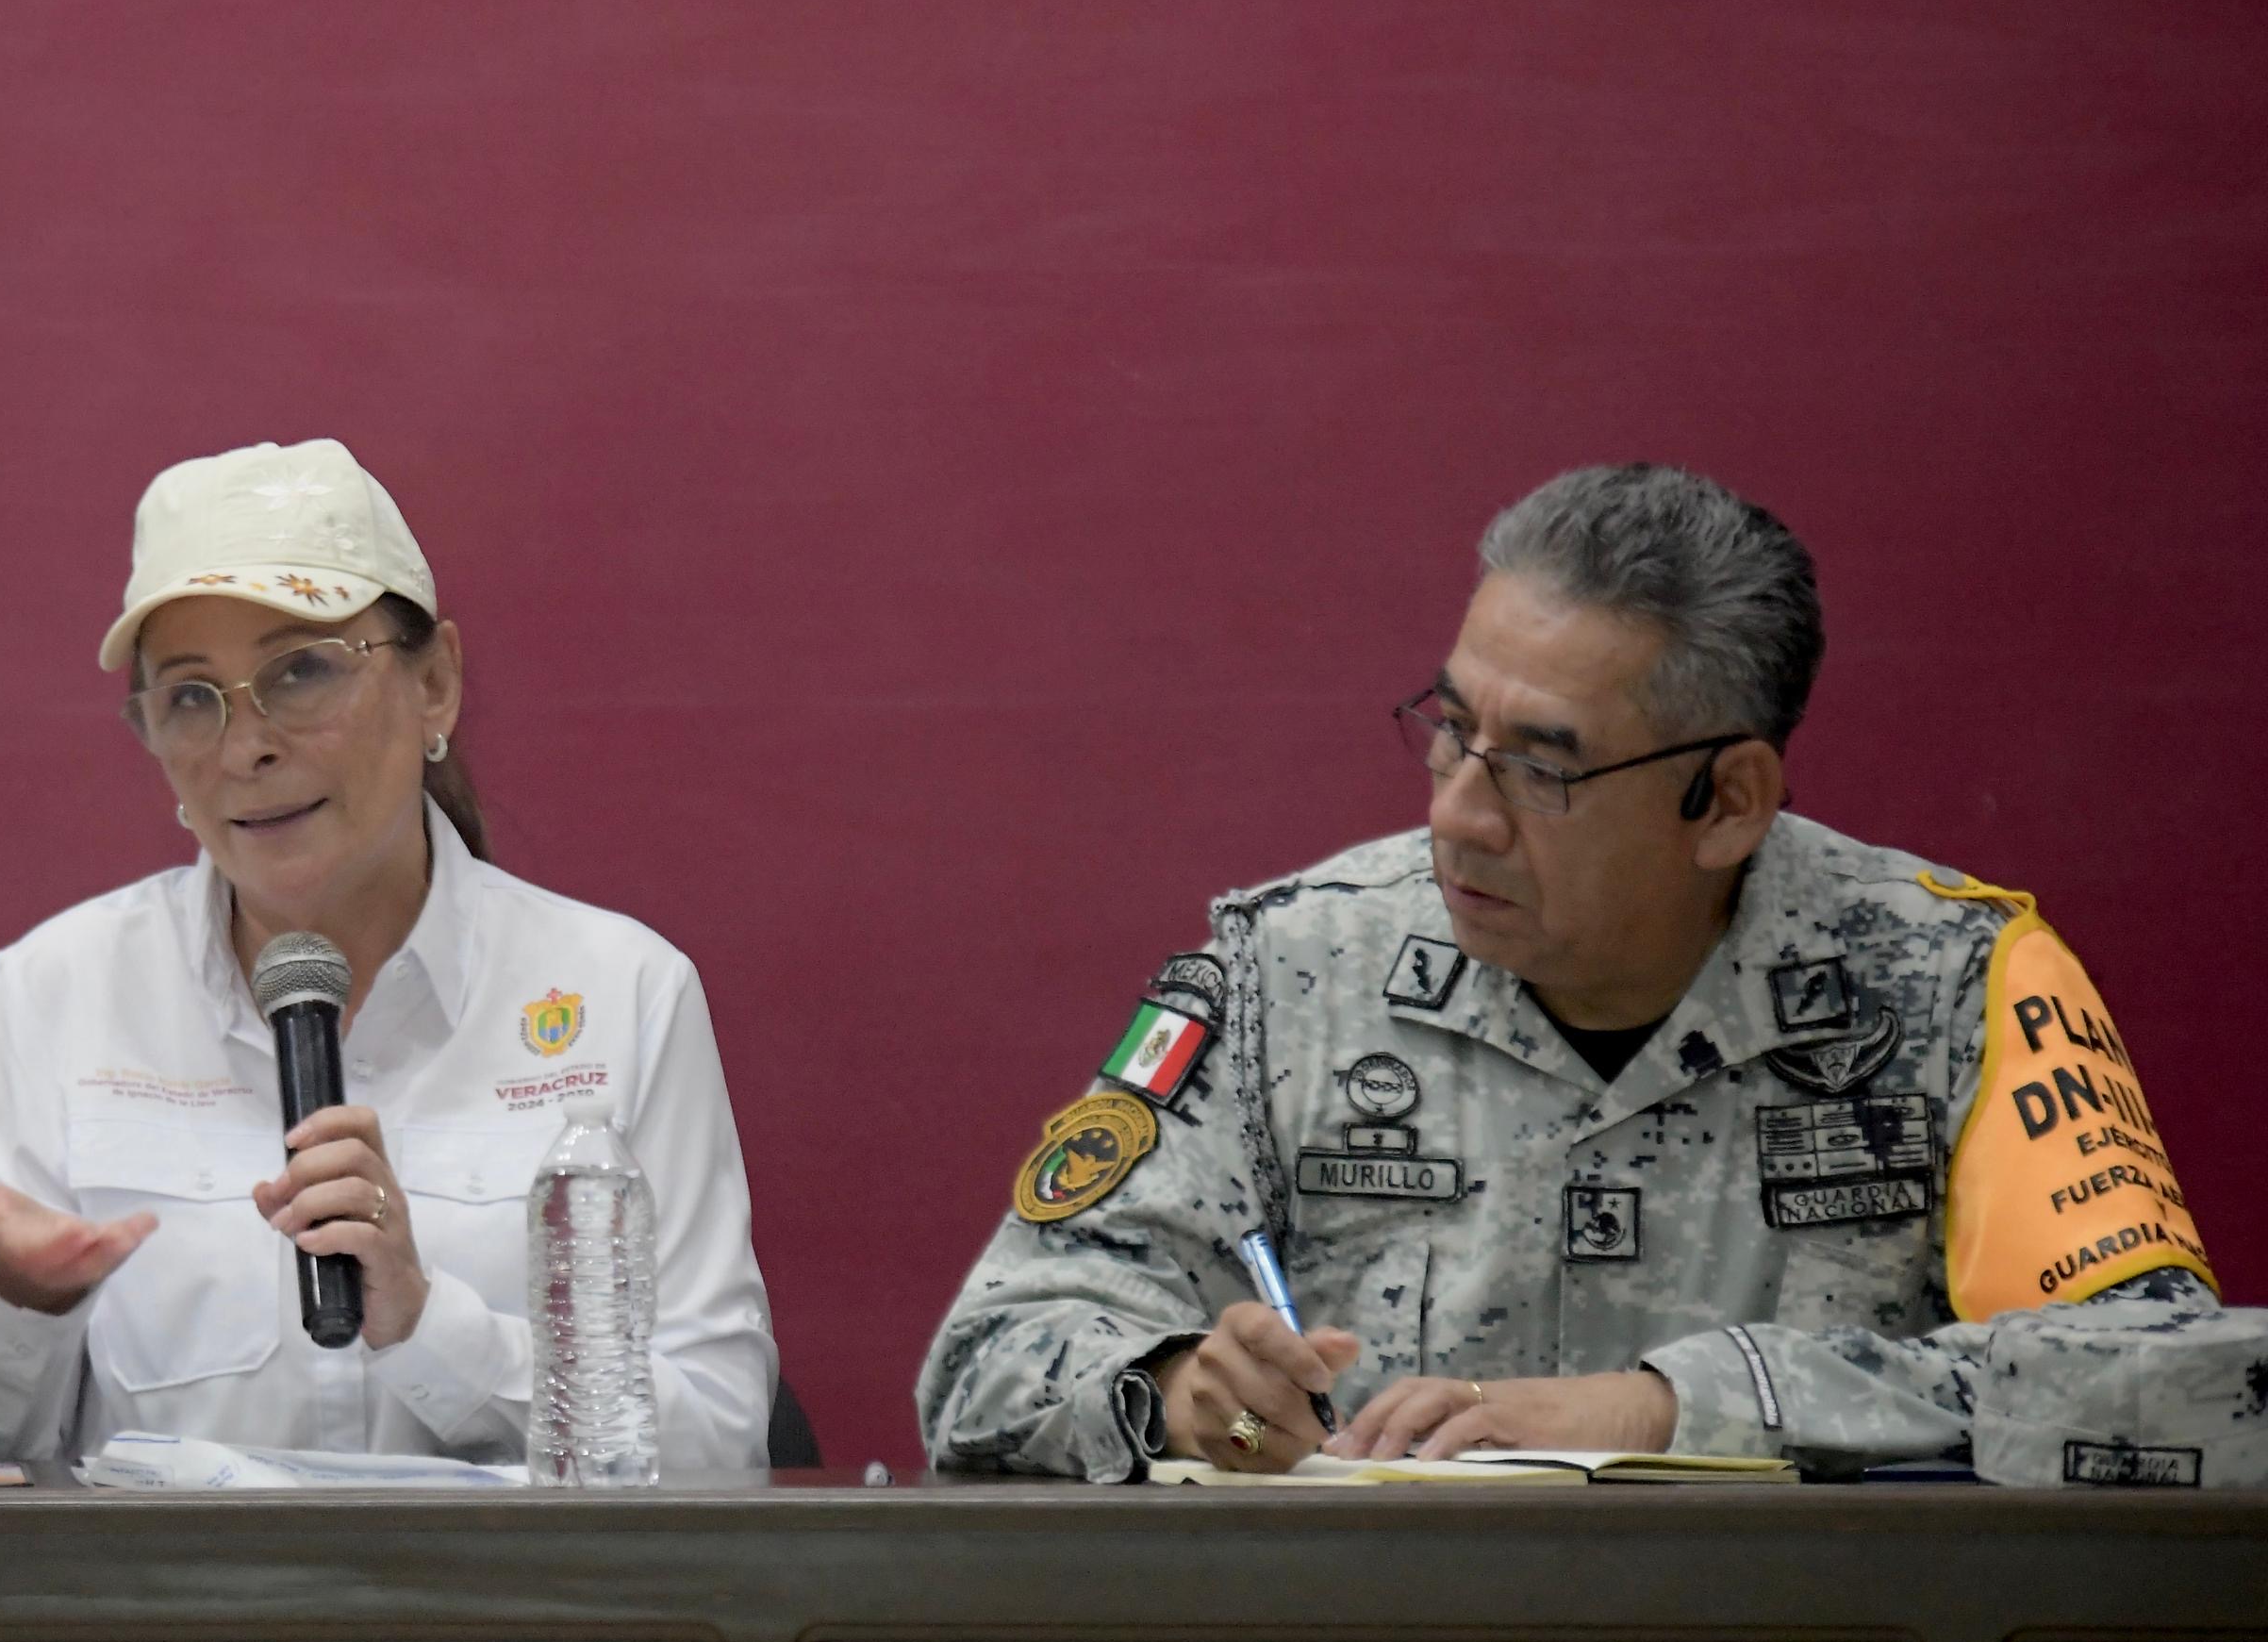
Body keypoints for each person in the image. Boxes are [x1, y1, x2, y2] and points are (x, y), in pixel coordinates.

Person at [919, 463, 2214, 1480]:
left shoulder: (1954, 984)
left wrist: (1678, 1407)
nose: (1459, 814)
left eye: (1541, 768)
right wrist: (1176, 1391)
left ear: (1727, 801)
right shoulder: (1287, 974)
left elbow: (2188, 1389)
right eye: (1449, 730)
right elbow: (986, 1354)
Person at [0, 439, 776, 1469]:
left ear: (434, 685)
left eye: (300, 671)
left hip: (499, 1583)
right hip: (167, 1581)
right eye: (190, 697)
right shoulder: (58, 991)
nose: (244, 746)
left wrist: (429, 1325)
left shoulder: (621, 991)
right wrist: (16, 1303)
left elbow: (721, 1440)